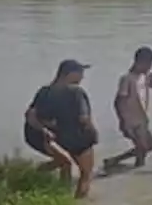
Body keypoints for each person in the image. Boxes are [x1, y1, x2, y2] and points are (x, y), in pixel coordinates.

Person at [24, 59, 98, 198]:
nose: (83, 77)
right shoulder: (77, 92)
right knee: (86, 173)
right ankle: (78, 204)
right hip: (75, 137)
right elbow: (84, 119)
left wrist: (43, 129)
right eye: (80, 73)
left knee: (65, 163)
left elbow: (30, 115)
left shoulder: (44, 92)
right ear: (69, 74)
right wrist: (93, 133)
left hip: (52, 137)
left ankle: (54, 190)